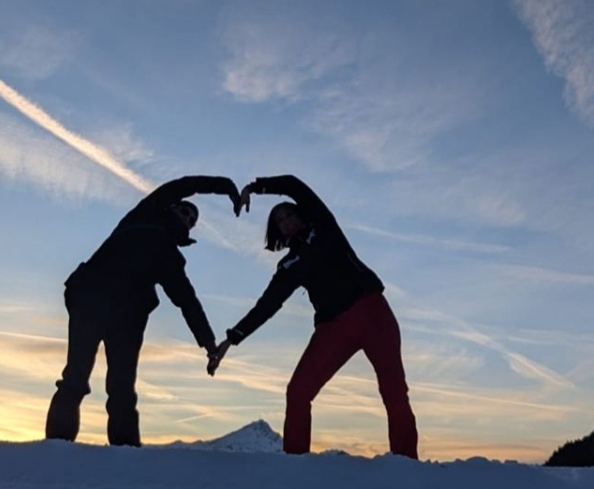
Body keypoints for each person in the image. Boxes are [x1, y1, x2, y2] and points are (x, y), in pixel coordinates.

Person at [210, 174, 419, 459]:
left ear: (300, 213)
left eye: (289, 214)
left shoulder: (323, 226)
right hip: (332, 328)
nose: (286, 221)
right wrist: (232, 339)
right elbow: (266, 305)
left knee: (393, 389)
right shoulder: (289, 265)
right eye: (279, 221)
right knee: (298, 392)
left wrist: (255, 188)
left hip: (371, 311)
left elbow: (294, 186)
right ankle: (295, 467)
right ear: (277, 233)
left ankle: (406, 464)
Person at [45, 175, 242, 447]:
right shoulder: (144, 215)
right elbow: (181, 186)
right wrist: (224, 186)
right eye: (184, 210)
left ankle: (125, 458)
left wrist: (209, 344)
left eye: (192, 220)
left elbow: (188, 301)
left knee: (122, 390)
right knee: (76, 377)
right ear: (171, 207)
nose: (187, 217)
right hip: (92, 301)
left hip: (127, 320)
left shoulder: (171, 258)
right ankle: (56, 449)